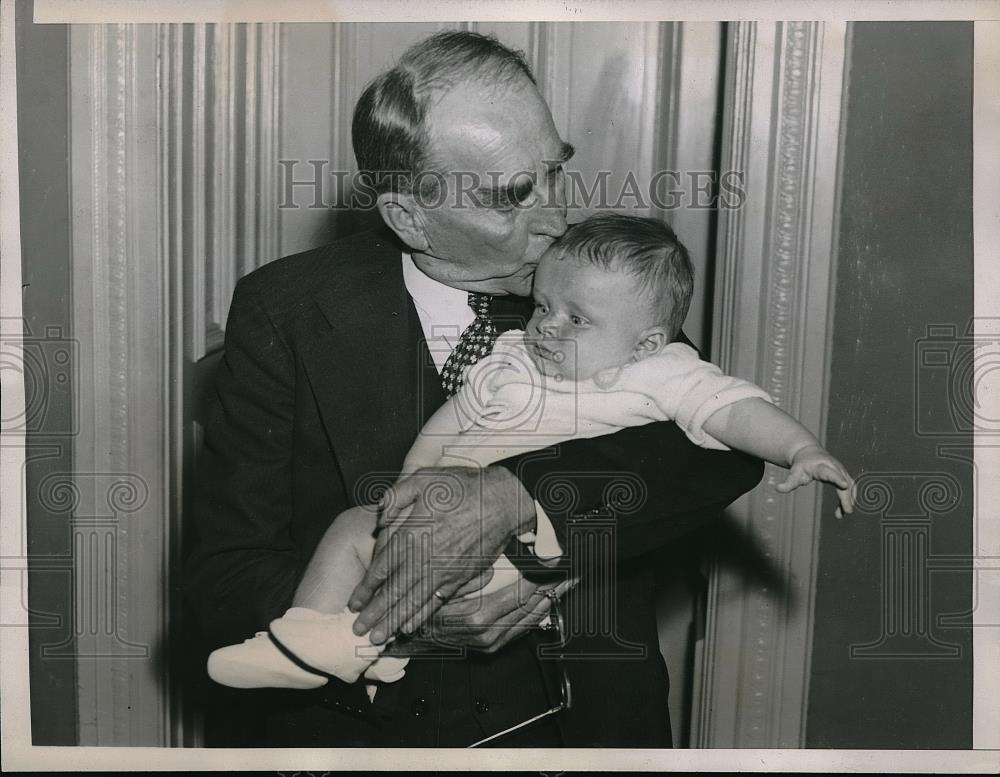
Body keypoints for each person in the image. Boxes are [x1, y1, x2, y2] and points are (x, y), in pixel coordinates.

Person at [184, 31, 766, 747]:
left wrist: (525, 495)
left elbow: (717, 452)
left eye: (556, 172)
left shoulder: (594, 277)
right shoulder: (286, 308)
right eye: (514, 197)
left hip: (581, 729)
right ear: (409, 215)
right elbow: (224, 576)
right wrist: (401, 614)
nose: (556, 218)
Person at [204, 213, 854, 695]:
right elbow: (452, 417)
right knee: (353, 529)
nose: (547, 323)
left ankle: (349, 642)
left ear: (646, 341)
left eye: (551, 171)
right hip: (425, 525)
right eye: (545, 306)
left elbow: (732, 417)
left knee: (414, 562)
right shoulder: (520, 349)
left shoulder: (656, 363)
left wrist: (802, 447)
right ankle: (316, 642)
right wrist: (415, 480)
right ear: (409, 207)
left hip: (539, 591)